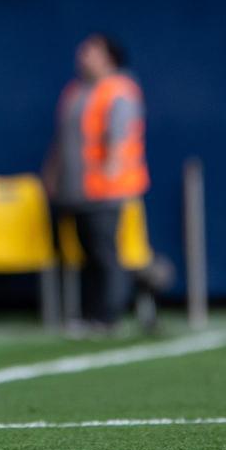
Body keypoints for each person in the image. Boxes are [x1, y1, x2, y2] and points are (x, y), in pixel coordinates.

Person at [45, 35, 148, 331]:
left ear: (108, 57)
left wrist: (112, 169)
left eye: (91, 51)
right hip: (75, 189)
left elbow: (121, 136)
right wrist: (52, 173)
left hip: (105, 190)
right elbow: (63, 139)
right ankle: (91, 314)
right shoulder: (76, 91)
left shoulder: (120, 90)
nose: (83, 55)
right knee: (86, 255)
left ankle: (108, 315)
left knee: (105, 254)